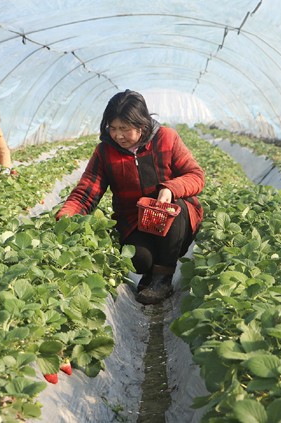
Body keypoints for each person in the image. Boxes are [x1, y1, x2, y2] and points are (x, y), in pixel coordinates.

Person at [56, 90, 204, 304]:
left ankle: (163, 278)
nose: (118, 135)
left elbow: (196, 175)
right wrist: (66, 217)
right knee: (140, 260)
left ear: (141, 125)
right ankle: (151, 273)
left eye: (124, 129)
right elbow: (87, 191)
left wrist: (171, 189)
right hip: (134, 220)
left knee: (176, 207)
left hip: (173, 219)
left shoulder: (166, 138)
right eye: (113, 128)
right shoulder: (105, 151)